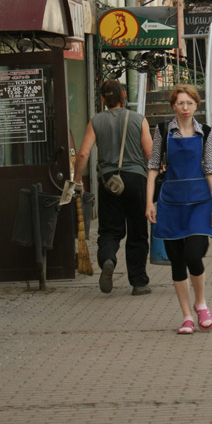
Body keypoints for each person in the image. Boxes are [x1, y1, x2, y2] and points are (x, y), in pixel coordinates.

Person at [145, 84, 212, 334]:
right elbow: (154, 166)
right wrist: (149, 202)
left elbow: (211, 167)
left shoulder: (206, 132)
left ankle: (200, 302)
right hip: (170, 203)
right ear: (173, 106)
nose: (185, 108)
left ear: (196, 105)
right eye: (180, 103)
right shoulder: (163, 131)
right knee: (177, 262)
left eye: (189, 103)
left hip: (200, 203)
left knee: (193, 255)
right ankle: (187, 316)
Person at [74, 78, 152, 296]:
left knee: (109, 229)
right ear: (124, 95)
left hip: (109, 182)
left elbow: (83, 153)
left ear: (102, 99)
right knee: (137, 231)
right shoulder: (138, 119)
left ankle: (108, 258)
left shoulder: (96, 121)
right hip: (136, 179)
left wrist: (77, 179)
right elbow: (149, 153)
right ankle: (138, 282)